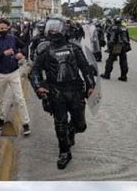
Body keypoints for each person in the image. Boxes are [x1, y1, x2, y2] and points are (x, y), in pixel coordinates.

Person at [30, 17, 97, 170]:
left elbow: (85, 68)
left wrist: (91, 85)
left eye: (56, 28)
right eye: (51, 28)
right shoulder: (44, 50)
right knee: (60, 124)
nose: (53, 31)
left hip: (75, 91)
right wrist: (38, 87)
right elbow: (35, 72)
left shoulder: (74, 48)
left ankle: (71, 131)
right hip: (56, 92)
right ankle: (64, 151)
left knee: (81, 125)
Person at [0, 18, 31, 135]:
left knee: (20, 98)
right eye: (1, 29)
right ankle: (1, 119)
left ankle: (25, 123)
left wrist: (22, 53)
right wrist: (2, 54)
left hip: (14, 72)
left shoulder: (13, 38)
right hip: (0, 74)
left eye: (6, 28)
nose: (4, 30)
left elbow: (25, 46)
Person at [100, 17, 130, 81]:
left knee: (110, 60)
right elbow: (127, 38)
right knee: (123, 61)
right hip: (124, 45)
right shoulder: (124, 28)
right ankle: (124, 76)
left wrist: (110, 47)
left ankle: (107, 75)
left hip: (117, 46)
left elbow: (111, 38)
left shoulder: (113, 28)